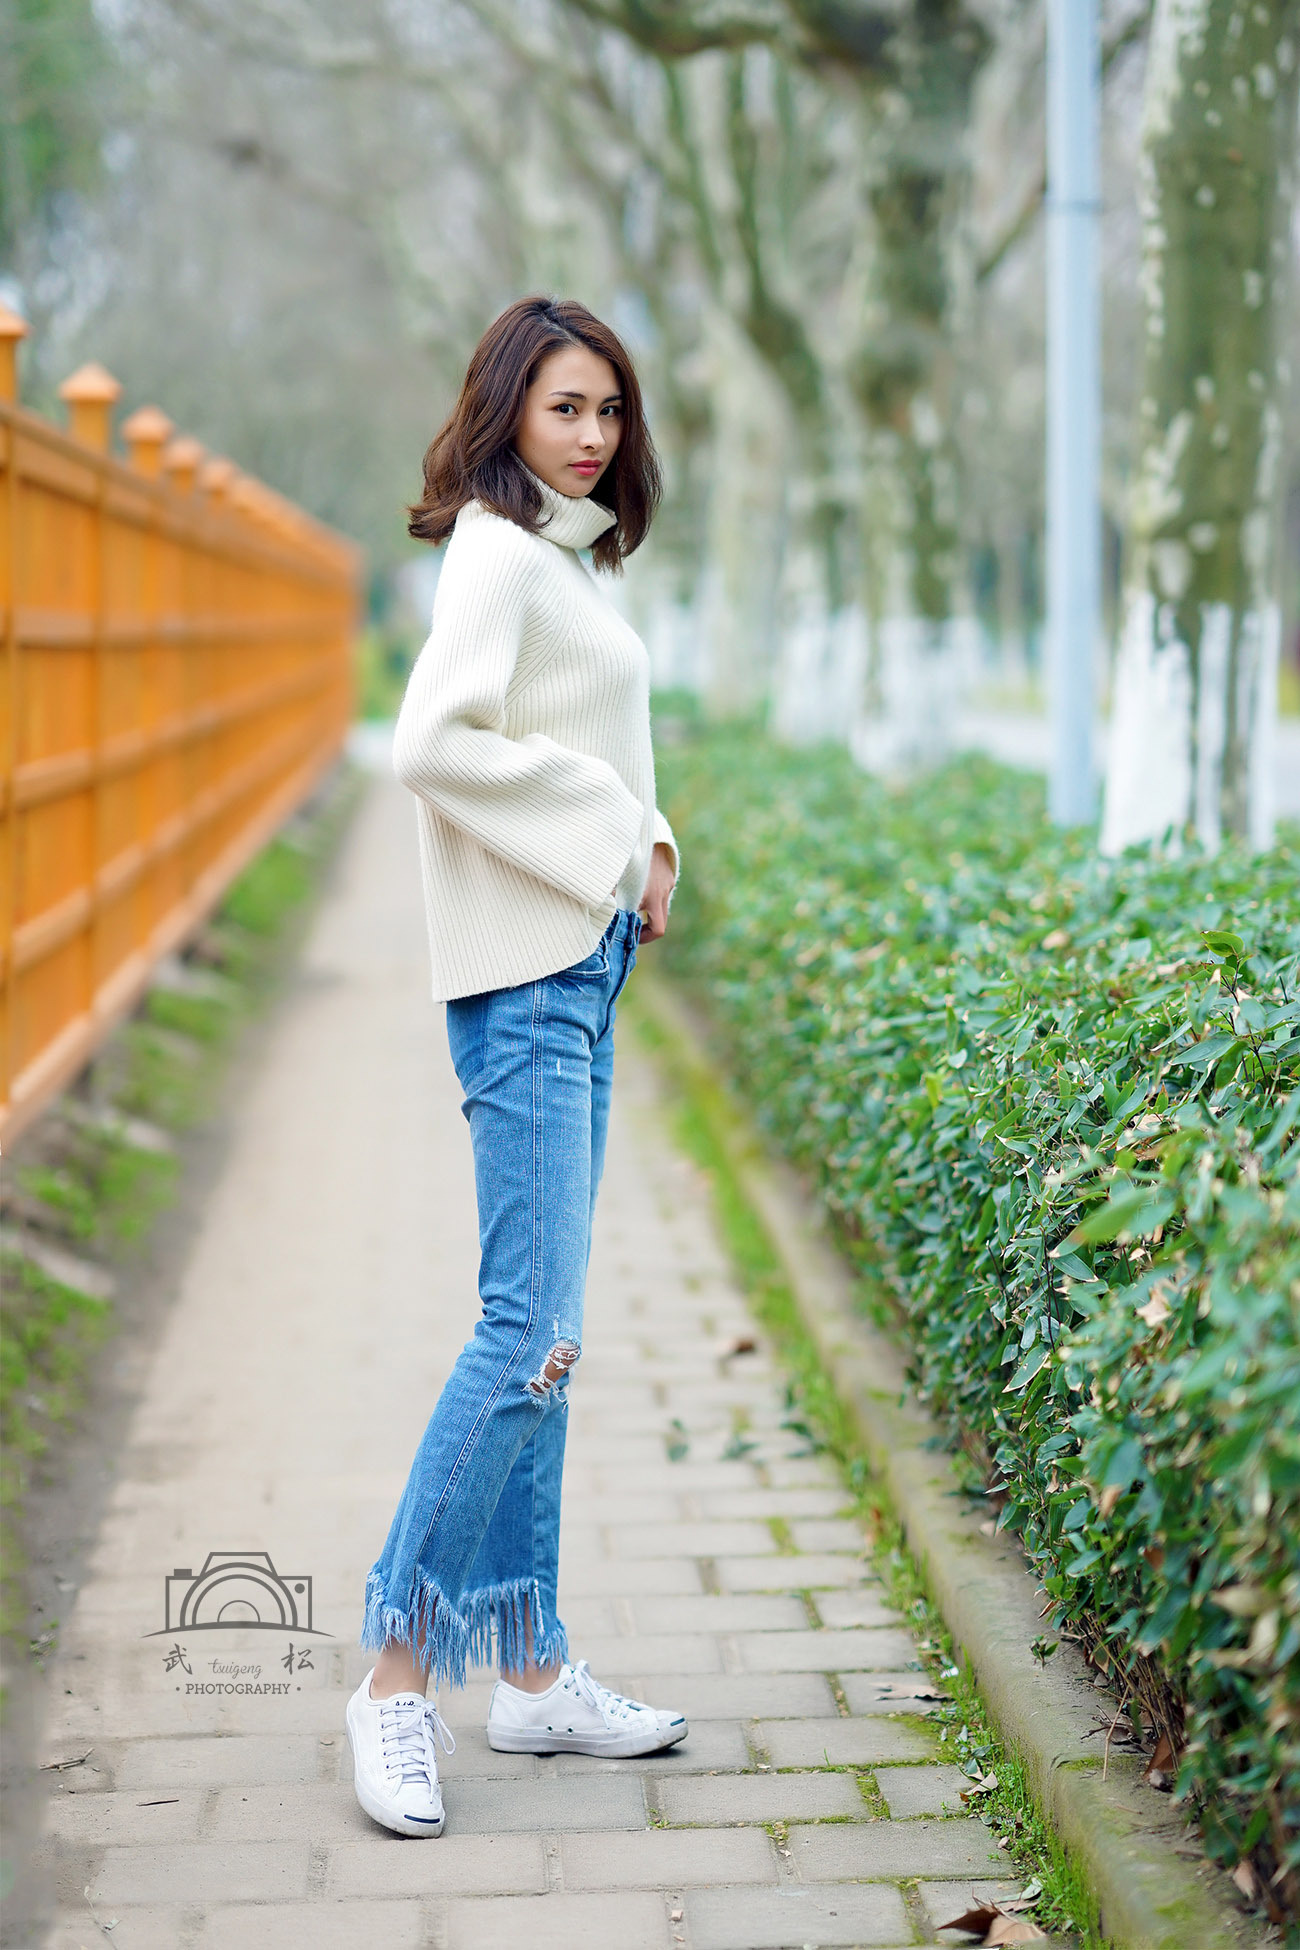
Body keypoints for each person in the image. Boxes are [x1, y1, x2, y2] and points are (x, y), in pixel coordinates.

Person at [346, 296, 687, 1838]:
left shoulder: (557, 560)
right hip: (531, 980)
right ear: (506, 411)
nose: (595, 434)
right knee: (523, 1330)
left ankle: (535, 1667)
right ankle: (396, 1678)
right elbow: (432, 740)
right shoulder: (494, 552)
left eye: (609, 409)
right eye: (566, 407)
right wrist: (613, 831)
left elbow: (594, 745)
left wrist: (650, 837)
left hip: (580, 964)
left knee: (550, 1339)